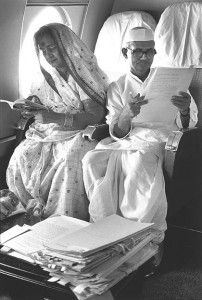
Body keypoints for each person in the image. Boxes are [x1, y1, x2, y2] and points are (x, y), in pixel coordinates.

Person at [82, 27, 198, 242]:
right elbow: (116, 131)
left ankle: (139, 233)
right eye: (137, 51)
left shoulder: (171, 80)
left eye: (149, 51)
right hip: (127, 139)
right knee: (91, 160)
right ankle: (105, 228)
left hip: (162, 136)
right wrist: (127, 114)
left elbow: (189, 124)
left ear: (155, 53)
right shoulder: (117, 87)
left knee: (137, 164)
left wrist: (183, 109)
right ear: (126, 53)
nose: (144, 56)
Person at [6, 23, 108, 222]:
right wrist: (32, 106)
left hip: (81, 130)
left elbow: (95, 115)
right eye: (43, 50)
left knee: (69, 159)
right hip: (51, 130)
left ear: (65, 46)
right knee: (22, 153)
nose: (47, 54)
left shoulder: (82, 73)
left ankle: (62, 220)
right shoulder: (46, 77)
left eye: (51, 47)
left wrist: (55, 118)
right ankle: (29, 212)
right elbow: (45, 101)